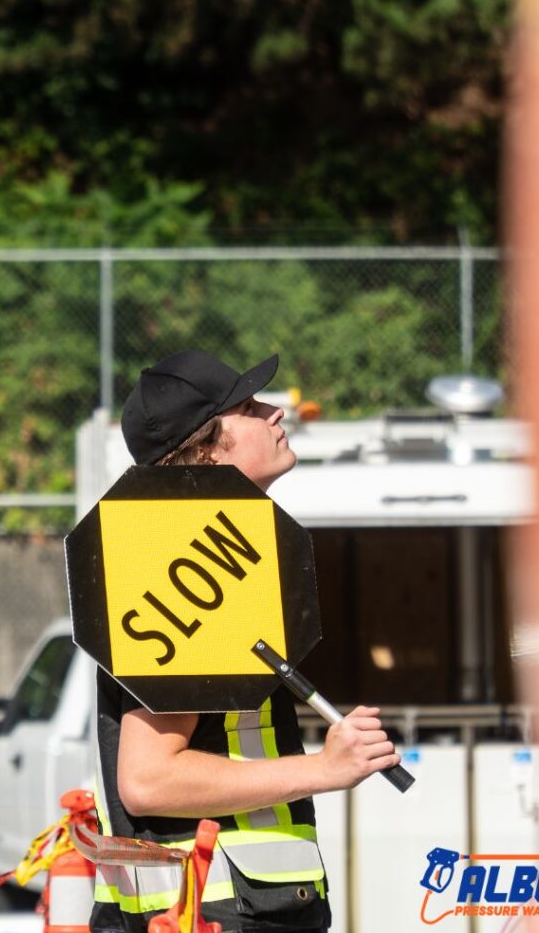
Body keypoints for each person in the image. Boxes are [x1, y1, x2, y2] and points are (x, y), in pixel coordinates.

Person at [90, 350, 400, 933]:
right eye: (250, 407)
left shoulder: (186, 555)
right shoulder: (189, 573)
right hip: (220, 912)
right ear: (206, 448)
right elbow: (149, 778)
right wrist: (325, 769)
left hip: (224, 908)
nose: (277, 412)